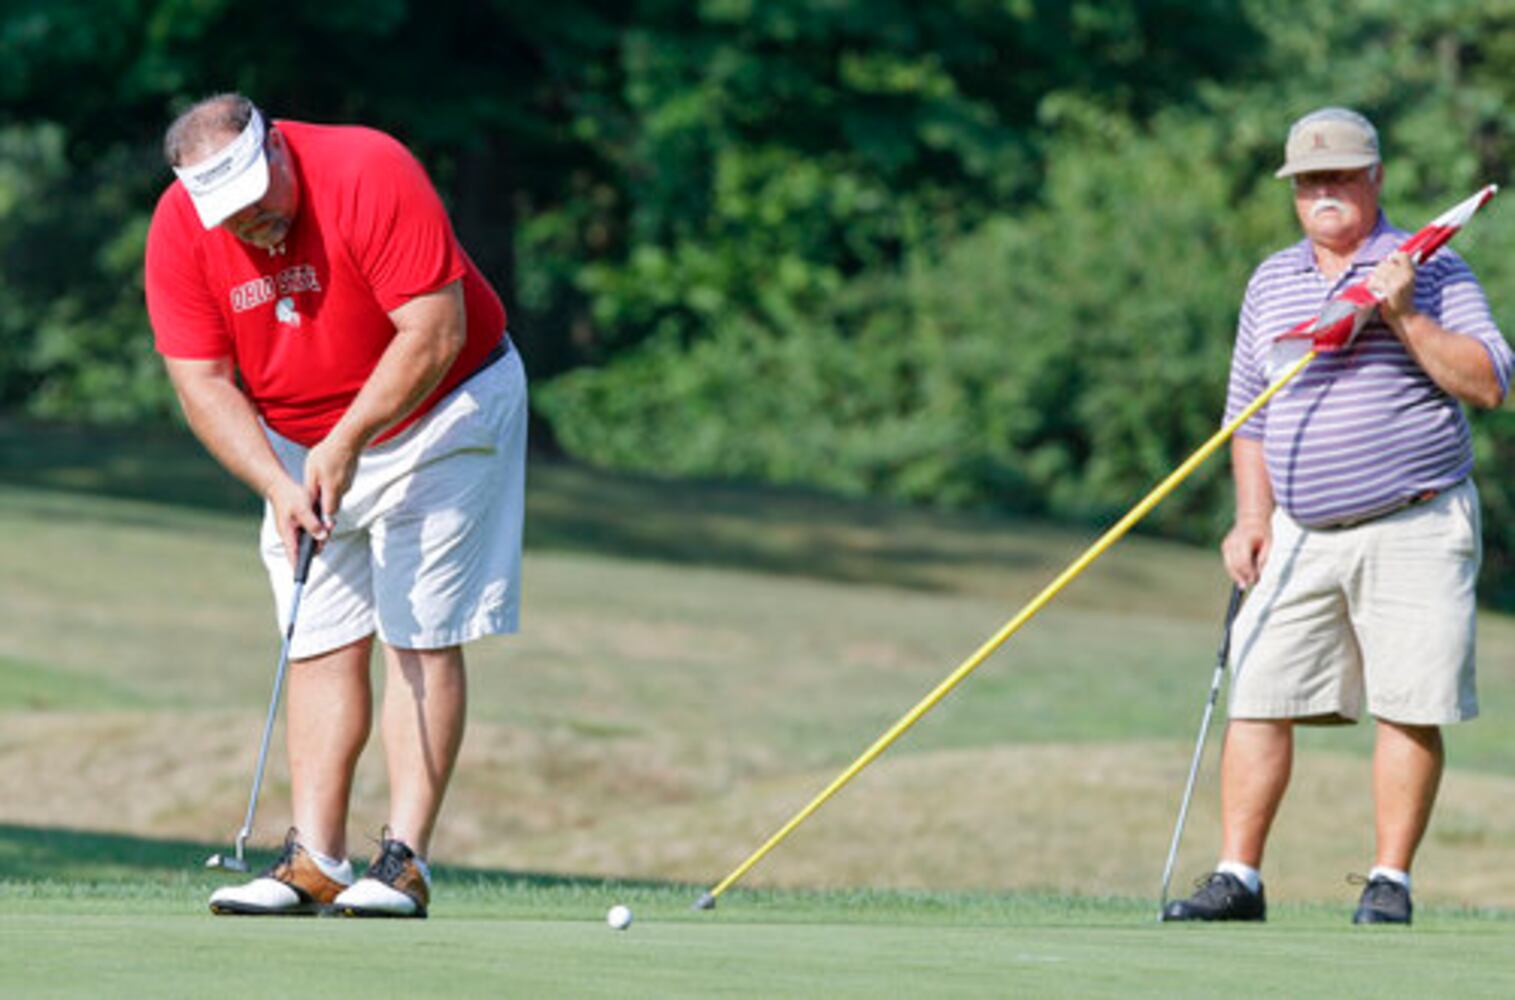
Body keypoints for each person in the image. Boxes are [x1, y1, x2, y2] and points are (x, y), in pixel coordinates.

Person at [145, 93, 528, 918]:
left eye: (261, 205)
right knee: (316, 637)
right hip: (296, 441)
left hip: (443, 408)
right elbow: (201, 381)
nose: (254, 227)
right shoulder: (181, 228)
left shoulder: (367, 169)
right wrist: (278, 484)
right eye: (233, 220)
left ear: (277, 148)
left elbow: (433, 330)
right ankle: (315, 860)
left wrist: (348, 439)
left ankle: (403, 863)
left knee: (416, 633)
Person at [1163, 107, 1511, 925]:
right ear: (1292, 191)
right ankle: (1237, 878)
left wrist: (1404, 314)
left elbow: (1490, 382)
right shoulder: (1270, 279)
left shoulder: (1435, 270)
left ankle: (1389, 882)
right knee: (1256, 692)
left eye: (1340, 177)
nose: (1323, 193)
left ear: (1374, 179)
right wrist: (1250, 518)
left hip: (1414, 522)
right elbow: (1247, 413)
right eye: (1308, 181)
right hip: (1298, 530)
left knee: (1410, 701)